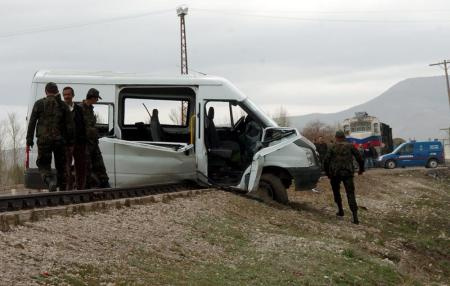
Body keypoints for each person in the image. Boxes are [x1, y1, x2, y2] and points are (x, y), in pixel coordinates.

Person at [26, 82, 74, 192]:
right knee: (61, 166)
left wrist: (29, 140)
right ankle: (62, 191)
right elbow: (70, 126)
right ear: (57, 91)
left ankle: (50, 180)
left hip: (44, 140)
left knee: (43, 164)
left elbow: (32, 122)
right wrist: (70, 142)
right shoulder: (63, 105)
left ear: (46, 91)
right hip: (59, 141)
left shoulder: (39, 104)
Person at [324, 130, 364, 224]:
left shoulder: (332, 147)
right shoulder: (350, 146)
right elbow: (359, 158)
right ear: (344, 137)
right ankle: (355, 217)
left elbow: (326, 161)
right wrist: (361, 169)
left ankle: (340, 210)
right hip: (348, 173)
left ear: (336, 137)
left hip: (335, 173)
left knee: (336, 192)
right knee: (350, 193)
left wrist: (327, 173)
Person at [81, 88, 110, 188]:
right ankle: (88, 188)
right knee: (87, 167)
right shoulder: (80, 109)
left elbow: (91, 125)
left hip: (93, 143)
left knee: (100, 165)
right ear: (92, 97)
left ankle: (105, 185)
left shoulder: (90, 109)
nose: (97, 101)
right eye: (97, 99)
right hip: (85, 144)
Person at [62, 86, 87, 190]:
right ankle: (68, 189)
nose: (66, 97)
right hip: (66, 144)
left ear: (73, 95)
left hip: (79, 143)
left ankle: (80, 188)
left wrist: (83, 140)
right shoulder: (60, 109)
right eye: (65, 95)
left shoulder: (79, 109)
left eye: (68, 94)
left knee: (80, 166)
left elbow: (83, 125)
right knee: (66, 167)